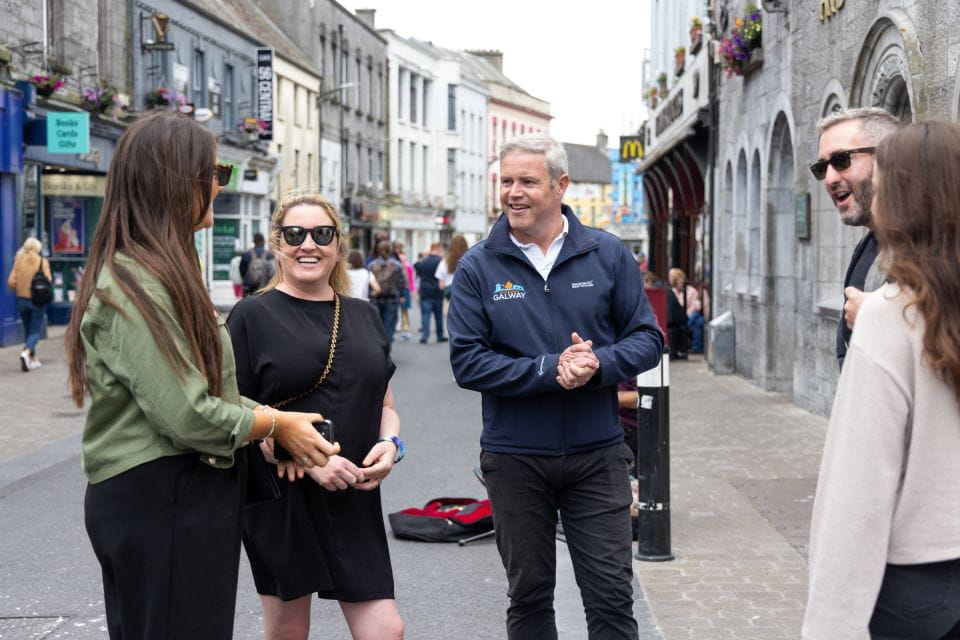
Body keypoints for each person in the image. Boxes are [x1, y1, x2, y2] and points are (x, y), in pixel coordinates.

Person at [62, 111, 338, 639]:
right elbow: (188, 414)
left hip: (178, 496)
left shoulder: (157, 271)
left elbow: (206, 393)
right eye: (214, 172)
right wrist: (275, 425)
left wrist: (268, 423)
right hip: (161, 498)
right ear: (175, 179)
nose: (220, 184)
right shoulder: (135, 283)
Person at [447, 132, 663, 639]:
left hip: (597, 456)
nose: (513, 192)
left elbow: (647, 339)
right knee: (529, 597)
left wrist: (598, 363)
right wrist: (549, 369)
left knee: (611, 596)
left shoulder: (607, 253)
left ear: (561, 185)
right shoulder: (479, 265)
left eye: (527, 181)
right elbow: (468, 362)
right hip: (514, 458)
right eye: (506, 181)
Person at [803, 120, 960, 639]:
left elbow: (856, 493)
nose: (831, 177)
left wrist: (829, 627)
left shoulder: (894, 315)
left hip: (921, 589)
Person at [228, 192, 404, 640]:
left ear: (338, 244)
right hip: (283, 496)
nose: (309, 244)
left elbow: (384, 405)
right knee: (289, 631)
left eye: (322, 234)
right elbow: (234, 417)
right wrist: (312, 460)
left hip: (355, 493)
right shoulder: (251, 316)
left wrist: (390, 445)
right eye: (295, 234)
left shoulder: (365, 316)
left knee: (386, 631)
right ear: (277, 243)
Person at [812, 107, 900, 368]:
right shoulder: (866, 247)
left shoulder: (936, 241)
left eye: (841, 160)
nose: (829, 179)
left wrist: (877, 320)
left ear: (887, 158)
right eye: (821, 167)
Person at [7, 237, 52, 371]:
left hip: (22, 300)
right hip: (37, 301)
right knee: (35, 332)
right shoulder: (42, 262)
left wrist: (21, 287)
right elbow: (48, 279)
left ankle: (32, 359)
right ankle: (26, 352)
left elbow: (11, 282)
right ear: (37, 248)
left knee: (28, 331)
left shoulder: (19, 262)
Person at [368, 240, 407, 352]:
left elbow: (369, 283)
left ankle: (378, 350)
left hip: (376, 298)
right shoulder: (397, 265)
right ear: (390, 251)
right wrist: (402, 295)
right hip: (392, 299)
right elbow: (401, 282)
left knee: (377, 327)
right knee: (389, 327)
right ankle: (386, 352)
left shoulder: (371, 265)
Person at [414, 242, 445, 344]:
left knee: (425, 314)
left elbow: (417, 270)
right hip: (437, 291)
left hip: (425, 291)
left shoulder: (423, 261)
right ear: (438, 249)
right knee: (438, 315)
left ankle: (425, 336)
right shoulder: (441, 261)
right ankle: (439, 335)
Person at [668, 267, 703, 354]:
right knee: (697, 322)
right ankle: (694, 346)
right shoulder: (672, 292)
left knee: (697, 318)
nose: (681, 282)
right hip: (679, 317)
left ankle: (685, 327)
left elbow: (695, 307)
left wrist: (686, 316)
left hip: (689, 315)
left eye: (682, 280)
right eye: (679, 281)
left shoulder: (691, 291)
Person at [240, 232, 276, 296]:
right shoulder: (270, 255)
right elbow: (273, 272)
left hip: (249, 288)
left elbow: (242, 272)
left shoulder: (246, 255)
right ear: (263, 241)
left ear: (253, 241)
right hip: (265, 289)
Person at [435, 234, 468, 301]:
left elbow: (441, 286)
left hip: (450, 299)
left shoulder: (444, 262)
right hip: (466, 299)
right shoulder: (469, 261)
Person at [393, 240, 415, 341]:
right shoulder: (399, 259)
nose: (400, 249)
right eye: (399, 247)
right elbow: (406, 274)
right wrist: (410, 287)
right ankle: (404, 329)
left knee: (402, 309)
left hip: (400, 286)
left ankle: (402, 328)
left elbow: (408, 273)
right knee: (402, 309)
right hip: (401, 287)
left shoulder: (400, 257)